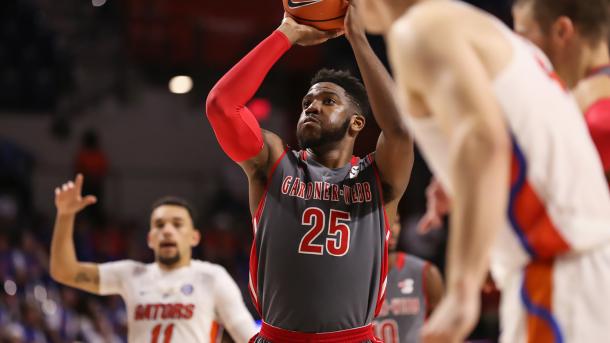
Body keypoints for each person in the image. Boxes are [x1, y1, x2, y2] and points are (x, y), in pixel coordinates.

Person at [358, 0, 610, 342]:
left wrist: (464, 285)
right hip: (579, 267)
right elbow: (521, 135)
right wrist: (460, 187)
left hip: (559, 272)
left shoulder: (418, 28)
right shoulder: (479, 27)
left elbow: (482, 140)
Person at [205, 3, 414, 341]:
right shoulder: (273, 163)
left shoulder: (377, 178)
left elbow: (400, 129)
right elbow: (221, 106)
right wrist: (286, 33)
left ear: (357, 122)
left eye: (328, 101)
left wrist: (357, 38)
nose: (312, 106)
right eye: (306, 104)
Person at [49, 174, 257, 343]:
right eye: (159, 225)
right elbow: (64, 271)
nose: (167, 231)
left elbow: (248, 336)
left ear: (194, 237)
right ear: (149, 238)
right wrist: (65, 216)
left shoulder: (212, 277)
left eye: (177, 224)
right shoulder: (130, 273)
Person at [513, 0, 610, 184]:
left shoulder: (597, 119)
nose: (519, 51)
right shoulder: (576, 103)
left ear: (561, 31)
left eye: (523, 37)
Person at [373, 214, 443, 343]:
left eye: (396, 222)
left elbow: (444, 331)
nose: (393, 228)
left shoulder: (426, 273)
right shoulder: (354, 276)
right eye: (385, 221)